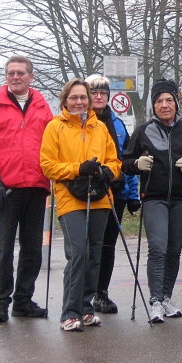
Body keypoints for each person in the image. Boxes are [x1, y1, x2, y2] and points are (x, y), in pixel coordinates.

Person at [0, 55, 54, 323]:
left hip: (36, 188)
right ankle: (0, 302)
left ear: (31, 77)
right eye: (11, 73)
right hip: (6, 190)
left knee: (32, 248)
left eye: (21, 73)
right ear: (6, 77)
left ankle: (23, 300)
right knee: (2, 249)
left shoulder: (44, 109)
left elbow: (52, 146)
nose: (15, 77)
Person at [40, 79, 122, 331]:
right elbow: (48, 165)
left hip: (99, 198)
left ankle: (86, 308)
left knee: (95, 253)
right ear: (65, 100)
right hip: (69, 198)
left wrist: (109, 172)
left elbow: (114, 161)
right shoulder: (55, 127)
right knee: (79, 253)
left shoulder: (100, 127)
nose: (79, 102)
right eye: (74, 98)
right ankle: (70, 311)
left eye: (83, 98)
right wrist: (78, 169)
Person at [122, 78, 182, 323]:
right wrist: (137, 164)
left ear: (176, 104)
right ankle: (155, 301)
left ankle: (167, 297)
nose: (165, 105)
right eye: (159, 101)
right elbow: (125, 164)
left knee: (174, 251)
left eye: (169, 100)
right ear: (154, 105)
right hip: (154, 198)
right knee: (158, 249)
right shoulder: (143, 131)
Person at [84, 75, 140, 314]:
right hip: (88, 193)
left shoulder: (118, 124)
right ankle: (83, 292)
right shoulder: (82, 122)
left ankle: (101, 292)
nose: (99, 97)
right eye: (94, 92)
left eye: (103, 93)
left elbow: (126, 161)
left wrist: (133, 194)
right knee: (88, 245)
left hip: (115, 194)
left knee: (108, 245)